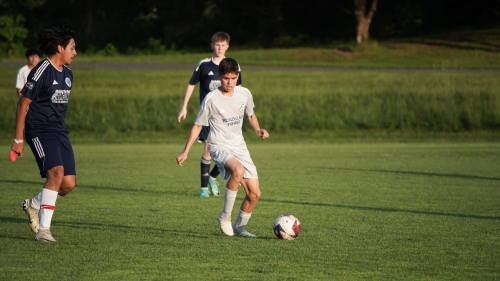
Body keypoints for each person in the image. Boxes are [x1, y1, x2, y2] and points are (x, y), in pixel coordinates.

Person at [176, 58, 269, 238]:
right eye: (226, 78)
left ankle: (238, 229)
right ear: (219, 77)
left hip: (239, 146)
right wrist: (185, 151)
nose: (230, 82)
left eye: (233, 78)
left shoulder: (244, 94)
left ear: (238, 76)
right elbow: (197, 126)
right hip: (218, 145)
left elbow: (251, 115)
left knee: (255, 194)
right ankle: (224, 216)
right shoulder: (212, 99)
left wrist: (258, 130)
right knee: (238, 170)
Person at [12, 21, 77, 243]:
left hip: (60, 131)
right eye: (72, 47)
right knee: (56, 173)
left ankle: (32, 204)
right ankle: (43, 231)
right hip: (39, 130)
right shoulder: (41, 71)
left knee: (67, 184)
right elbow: (22, 104)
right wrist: (18, 139)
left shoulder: (68, 74)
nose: (75, 53)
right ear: (60, 47)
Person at [177, 32, 242, 198]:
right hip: (209, 117)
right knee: (208, 151)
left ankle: (213, 176)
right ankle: (204, 188)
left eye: (223, 45)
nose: (220, 48)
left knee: (232, 152)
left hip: (227, 118)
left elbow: (238, 90)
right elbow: (192, 84)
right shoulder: (204, 65)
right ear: (212, 45)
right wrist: (184, 107)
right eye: (217, 45)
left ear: (228, 46)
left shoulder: (233, 65)